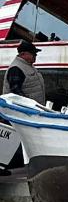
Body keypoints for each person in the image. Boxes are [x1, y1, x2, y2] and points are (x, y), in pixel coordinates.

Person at [3, 40, 44, 175]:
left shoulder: (27, 67)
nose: (35, 56)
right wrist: (28, 107)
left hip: (30, 112)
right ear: (23, 54)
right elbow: (15, 91)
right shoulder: (16, 68)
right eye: (33, 54)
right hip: (18, 113)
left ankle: (6, 165)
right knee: (12, 139)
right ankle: (5, 165)